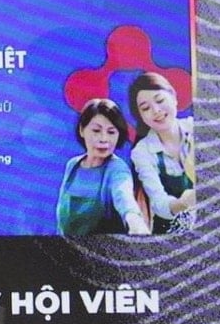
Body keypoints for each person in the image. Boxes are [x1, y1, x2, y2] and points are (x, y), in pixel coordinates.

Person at [56, 99, 150, 237]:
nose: (104, 139)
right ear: (82, 130)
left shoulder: (117, 169)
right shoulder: (73, 166)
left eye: (111, 132)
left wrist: (135, 221)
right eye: (96, 130)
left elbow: (124, 197)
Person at [127, 71, 196, 233]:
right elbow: (159, 203)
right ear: (141, 117)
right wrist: (182, 203)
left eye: (160, 100)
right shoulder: (142, 152)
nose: (156, 110)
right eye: (146, 108)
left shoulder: (196, 128)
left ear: (174, 98)